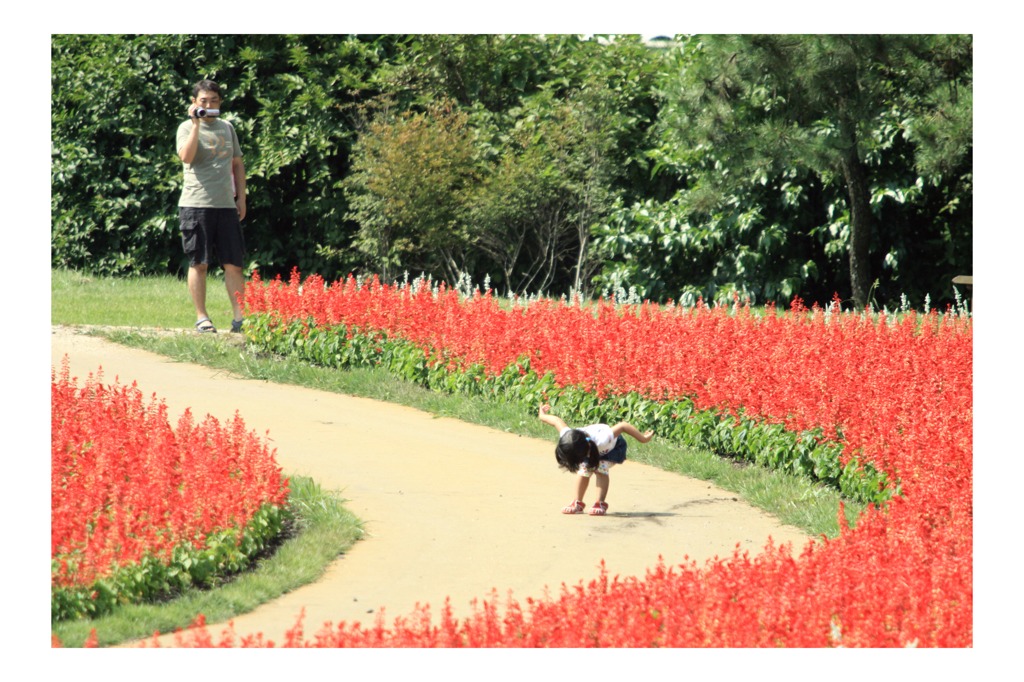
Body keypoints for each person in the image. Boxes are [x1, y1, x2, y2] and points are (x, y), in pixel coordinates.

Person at [176, 79, 247, 333]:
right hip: (196, 205)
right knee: (199, 263)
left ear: (220, 103)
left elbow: (237, 164)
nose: (208, 105)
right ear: (194, 103)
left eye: (213, 101)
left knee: (234, 263)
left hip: (226, 205)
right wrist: (196, 125)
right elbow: (187, 157)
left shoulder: (227, 128)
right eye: (203, 101)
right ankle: (202, 317)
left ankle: (240, 318)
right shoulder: (185, 128)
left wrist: (241, 199)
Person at [538, 404, 654, 516]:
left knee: (600, 468)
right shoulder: (568, 437)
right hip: (588, 448)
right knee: (584, 470)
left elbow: (623, 426)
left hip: (612, 449)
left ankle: (600, 503)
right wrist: (542, 415)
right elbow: (556, 421)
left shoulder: (602, 440)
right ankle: (577, 503)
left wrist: (643, 439)